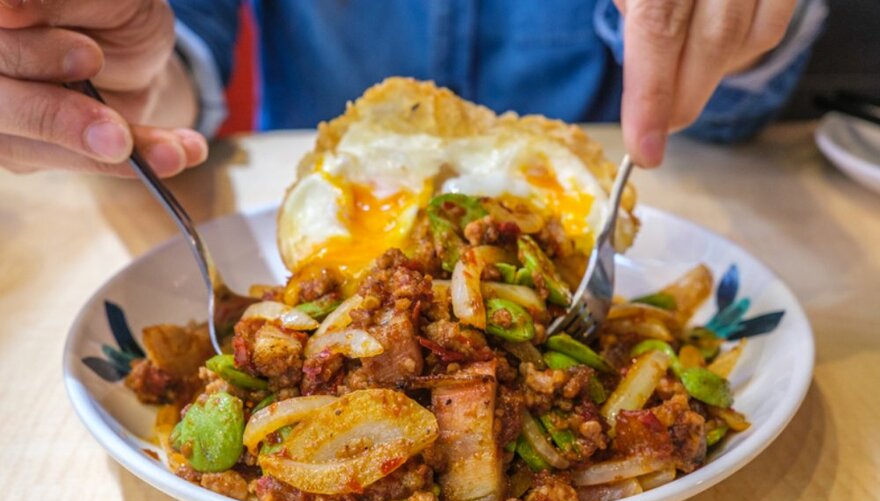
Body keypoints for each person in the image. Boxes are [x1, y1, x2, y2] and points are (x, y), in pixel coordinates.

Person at [0, 0, 826, 178]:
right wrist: (122, 85)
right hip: (277, 213)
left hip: (626, 202)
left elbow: (720, 119)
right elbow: (180, 49)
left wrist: (737, 34)